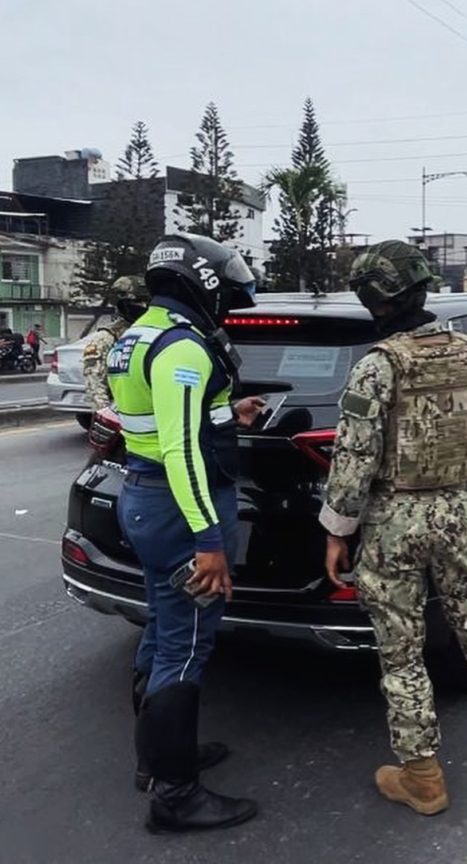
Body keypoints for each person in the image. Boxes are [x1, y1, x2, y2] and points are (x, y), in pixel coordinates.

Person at [318, 240, 467, 816]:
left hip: (392, 521)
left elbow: (353, 459)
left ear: (374, 299)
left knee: (401, 653)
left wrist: (336, 530)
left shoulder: (376, 367)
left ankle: (423, 778)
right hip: (458, 512)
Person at [107, 234, 266, 834]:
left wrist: (230, 413)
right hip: (179, 513)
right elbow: (179, 450)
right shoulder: (183, 348)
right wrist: (209, 542)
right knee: (186, 644)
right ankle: (175, 795)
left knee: (162, 628)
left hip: (145, 500)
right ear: (202, 282)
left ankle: (157, 759)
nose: (227, 299)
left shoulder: (137, 336)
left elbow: (166, 421)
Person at [82, 277, 148, 411]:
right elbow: (95, 386)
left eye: (145, 301)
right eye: (137, 302)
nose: (143, 306)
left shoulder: (152, 332)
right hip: (119, 412)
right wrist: (107, 416)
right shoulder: (105, 338)